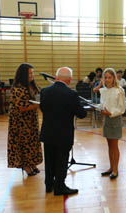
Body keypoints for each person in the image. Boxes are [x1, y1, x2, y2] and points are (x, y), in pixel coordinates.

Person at [40, 67, 87, 196]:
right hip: (63, 134)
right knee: (61, 161)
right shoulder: (71, 94)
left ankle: (49, 185)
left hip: (48, 132)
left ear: (56, 77)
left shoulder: (44, 91)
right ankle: (59, 187)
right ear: (70, 80)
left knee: (49, 160)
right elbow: (81, 114)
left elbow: (43, 108)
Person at [8, 63, 43, 176]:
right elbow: (22, 107)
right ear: (23, 74)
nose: (32, 75)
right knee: (23, 143)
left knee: (32, 142)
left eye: (33, 73)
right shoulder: (18, 88)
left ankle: (32, 163)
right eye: (30, 73)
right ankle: (26, 166)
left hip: (31, 120)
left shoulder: (32, 85)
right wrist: (38, 105)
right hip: (20, 122)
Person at [99, 68, 126, 179]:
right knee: (109, 145)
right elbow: (103, 104)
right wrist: (99, 108)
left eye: (109, 77)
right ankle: (111, 167)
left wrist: (110, 112)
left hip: (115, 118)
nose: (107, 80)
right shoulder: (104, 90)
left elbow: (122, 108)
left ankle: (115, 169)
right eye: (105, 77)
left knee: (114, 146)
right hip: (107, 118)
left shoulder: (119, 90)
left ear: (114, 78)